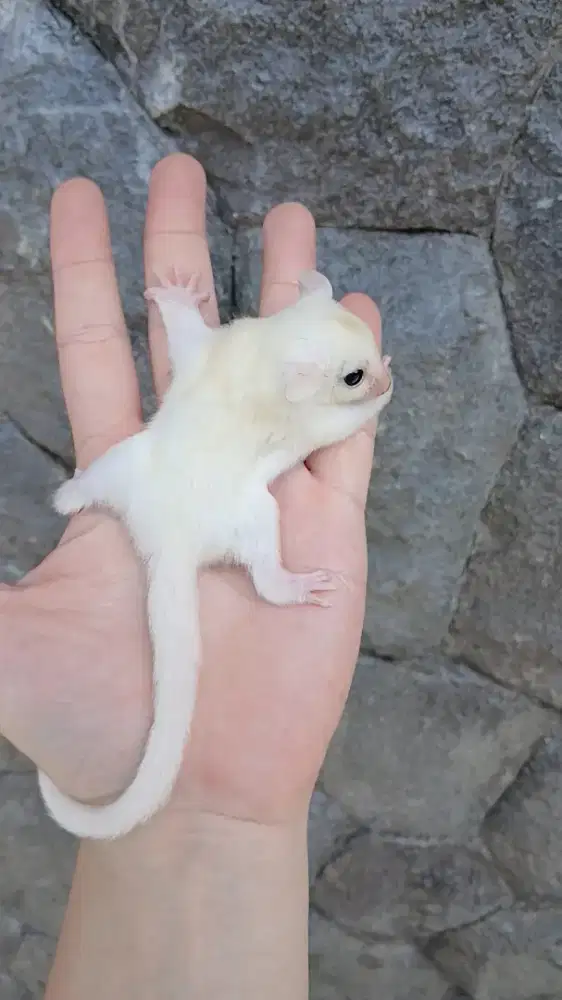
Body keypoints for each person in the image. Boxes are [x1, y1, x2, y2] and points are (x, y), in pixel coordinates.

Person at [0, 153, 386, 999]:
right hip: (210, 499)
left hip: (157, 470)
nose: (373, 386)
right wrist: (357, 397)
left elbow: (198, 351)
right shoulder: (287, 380)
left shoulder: (250, 350)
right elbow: (314, 397)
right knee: (251, 511)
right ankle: (272, 579)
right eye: (356, 377)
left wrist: (178, 313)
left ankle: (88, 492)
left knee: (139, 461)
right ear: (303, 373)